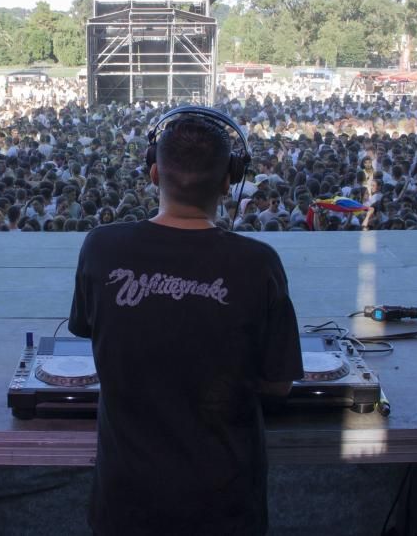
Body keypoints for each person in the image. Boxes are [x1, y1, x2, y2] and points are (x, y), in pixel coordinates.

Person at [68, 107, 304, 535]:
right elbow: (279, 384)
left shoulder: (101, 248)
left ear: (154, 174)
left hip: (127, 503)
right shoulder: (259, 264)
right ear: (231, 179)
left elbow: (94, 334)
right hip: (225, 505)